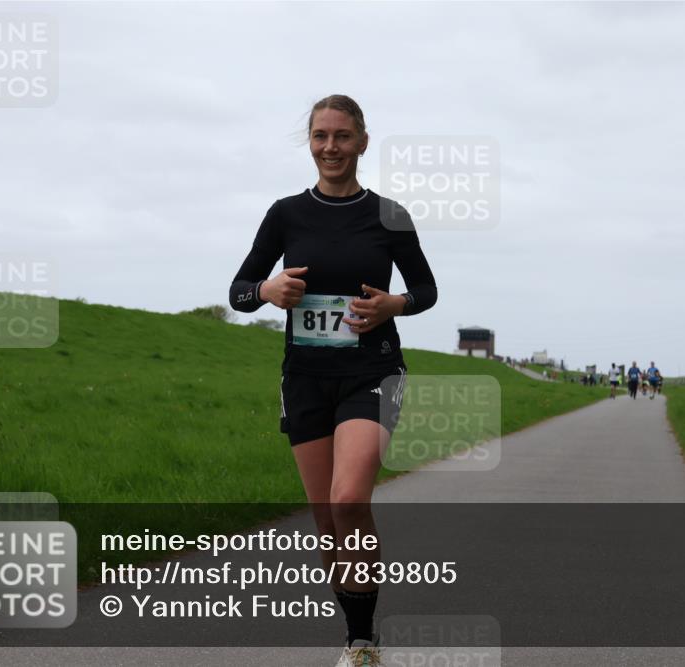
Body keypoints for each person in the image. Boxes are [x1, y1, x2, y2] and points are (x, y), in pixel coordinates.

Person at [229, 94, 437, 666]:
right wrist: (267, 290)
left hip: (372, 372)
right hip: (305, 379)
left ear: (362, 142)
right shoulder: (285, 214)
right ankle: (357, 636)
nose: (330, 147)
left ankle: (364, 645)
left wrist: (394, 303)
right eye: (320, 136)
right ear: (311, 143)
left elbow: (426, 290)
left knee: (349, 499)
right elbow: (240, 291)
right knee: (326, 517)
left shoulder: (389, 215)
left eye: (342, 136)